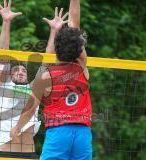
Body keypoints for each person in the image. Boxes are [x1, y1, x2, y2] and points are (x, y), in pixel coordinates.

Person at [11, 0, 93, 159]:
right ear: (77, 49)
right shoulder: (81, 67)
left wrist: (17, 128)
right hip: (83, 132)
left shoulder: (46, 76)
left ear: (56, 49)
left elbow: (30, 108)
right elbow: (75, 30)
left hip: (58, 132)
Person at [0, 0, 41, 158]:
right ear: (10, 74)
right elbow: (3, 54)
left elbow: (48, 61)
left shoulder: (34, 88)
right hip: (6, 152)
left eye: (24, 70)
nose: (20, 71)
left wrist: (54, 31)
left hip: (29, 154)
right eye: (16, 69)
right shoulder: (2, 85)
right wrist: (6, 21)